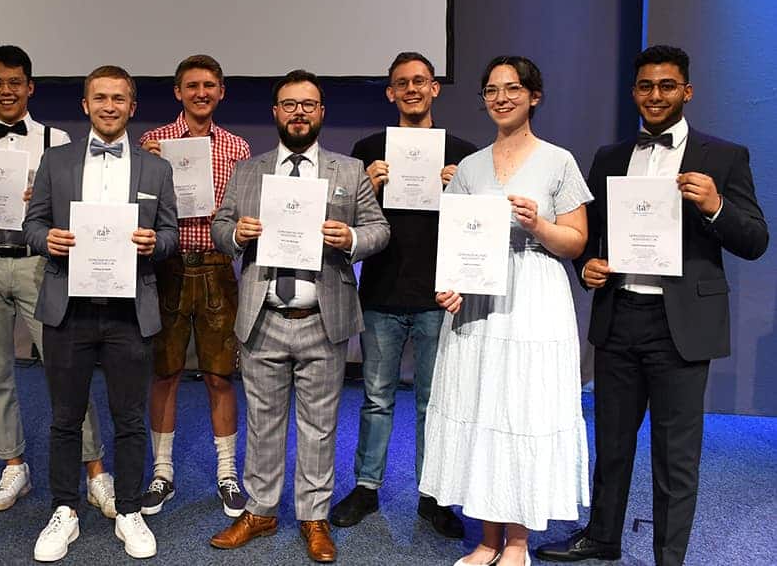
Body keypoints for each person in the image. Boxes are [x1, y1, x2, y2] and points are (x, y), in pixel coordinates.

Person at [535, 45, 768, 566]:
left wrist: (716, 206)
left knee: (675, 455)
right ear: (634, 91)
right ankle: (601, 538)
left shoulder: (724, 157)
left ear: (687, 91)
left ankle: (669, 557)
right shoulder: (610, 157)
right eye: (645, 86)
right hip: (620, 316)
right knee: (612, 444)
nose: (655, 95)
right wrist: (587, 266)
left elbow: (755, 240)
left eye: (667, 86)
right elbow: (588, 234)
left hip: (681, 325)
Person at [209, 69, 390, 563]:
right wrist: (237, 235)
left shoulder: (348, 171)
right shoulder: (249, 170)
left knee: (319, 425)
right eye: (289, 104)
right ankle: (261, 510)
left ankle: (314, 516)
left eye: (308, 104)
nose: (298, 113)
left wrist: (350, 239)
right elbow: (219, 227)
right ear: (276, 113)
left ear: (321, 112)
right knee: (263, 422)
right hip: (264, 315)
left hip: (322, 317)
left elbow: (378, 230)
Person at [418, 56, 592, 566]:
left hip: (534, 296)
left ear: (533, 96)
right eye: (491, 90)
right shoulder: (470, 167)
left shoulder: (559, 161)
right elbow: (453, 242)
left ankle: (516, 543)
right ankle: (487, 538)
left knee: (522, 407)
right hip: (478, 299)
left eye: (512, 88)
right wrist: (448, 286)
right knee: (481, 407)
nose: (500, 98)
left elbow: (576, 242)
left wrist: (538, 224)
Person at [0, 45, 114, 515]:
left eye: (14, 82)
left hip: (40, 264)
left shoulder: (56, 141)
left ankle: (95, 470)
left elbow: (74, 212)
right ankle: (13, 465)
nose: (6, 91)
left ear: (30, 87)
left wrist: (41, 198)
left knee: (67, 370)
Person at [24, 65, 177, 562]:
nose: (109, 106)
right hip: (67, 307)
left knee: (130, 417)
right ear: (84, 105)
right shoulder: (56, 160)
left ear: (133, 107)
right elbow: (33, 223)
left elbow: (171, 237)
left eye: (119, 99)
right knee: (65, 418)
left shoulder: (157, 169)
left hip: (130, 310)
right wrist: (45, 239)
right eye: (100, 98)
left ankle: (129, 509)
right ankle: (65, 508)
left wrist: (156, 244)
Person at [329, 51, 477, 538]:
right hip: (381, 293)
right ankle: (367, 489)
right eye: (401, 83)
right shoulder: (369, 146)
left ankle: (432, 497)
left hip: (439, 296)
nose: (412, 89)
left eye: (421, 81)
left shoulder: (464, 153)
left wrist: (463, 194)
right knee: (375, 399)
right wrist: (364, 188)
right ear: (390, 92)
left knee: (434, 402)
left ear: (435, 88)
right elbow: (344, 223)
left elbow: (478, 229)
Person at [137, 54, 251, 518]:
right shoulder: (153, 142)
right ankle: (162, 472)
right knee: (164, 373)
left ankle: (227, 474)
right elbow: (138, 207)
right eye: (191, 86)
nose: (200, 93)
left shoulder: (237, 147)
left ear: (221, 91)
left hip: (218, 267)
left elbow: (243, 210)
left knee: (221, 375)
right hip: (166, 267)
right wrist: (149, 171)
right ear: (177, 92)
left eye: (209, 85)